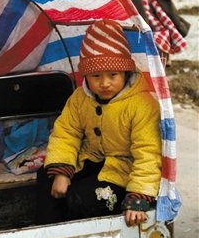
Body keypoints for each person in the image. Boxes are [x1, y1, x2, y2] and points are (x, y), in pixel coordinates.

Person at [36, 20, 162, 227]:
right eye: (96, 76)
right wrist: (61, 172)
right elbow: (66, 133)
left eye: (113, 75)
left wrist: (138, 196)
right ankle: (45, 231)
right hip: (91, 158)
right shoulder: (80, 98)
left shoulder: (143, 104)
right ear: (86, 75)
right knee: (46, 176)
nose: (104, 83)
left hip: (123, 170)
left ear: (125, 72)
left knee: (85, 199)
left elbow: (149, 153)